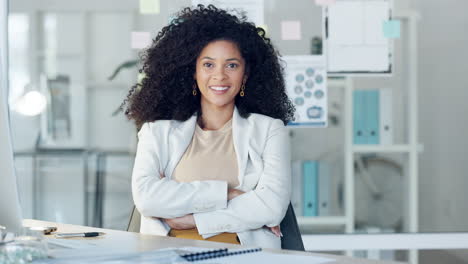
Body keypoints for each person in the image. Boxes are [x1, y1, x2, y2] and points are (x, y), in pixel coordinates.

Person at [123, 4, 295, 249]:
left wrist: (191, 219)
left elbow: (271, 207)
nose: (220, 76)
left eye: (232, 65)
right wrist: (226, 193)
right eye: (208, 64)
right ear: (192, 71)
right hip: (169, 256)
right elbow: (147, 199)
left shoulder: (269, 130)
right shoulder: (157, 132)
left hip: (244, 256)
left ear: (245, 75)